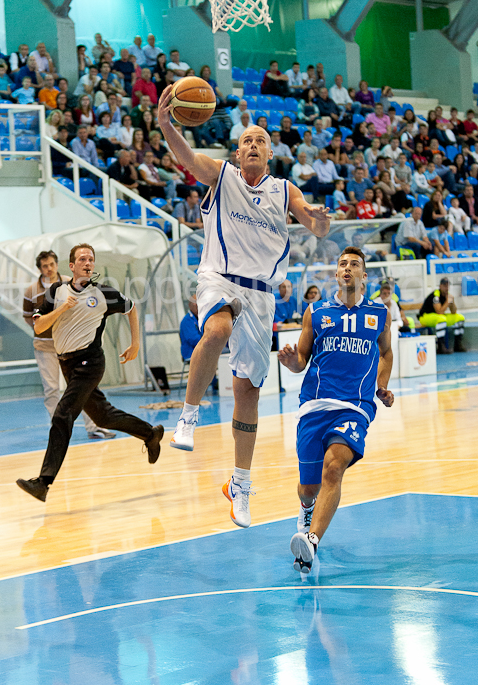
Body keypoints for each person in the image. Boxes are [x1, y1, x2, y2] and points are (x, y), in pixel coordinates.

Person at [157, 85, 330, 528]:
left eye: (261, 141)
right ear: (237, 153)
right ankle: (188, 418)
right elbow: (187, 160)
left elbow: (312, 221)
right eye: (246, 141)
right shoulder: (223, 177)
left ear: (270, 154)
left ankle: (240, 483)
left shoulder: (283, 189)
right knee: (215, 330)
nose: (253, 145)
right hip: (218, 277)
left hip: (261, 295)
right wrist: (166, 124)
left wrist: (319, 220)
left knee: (247, 392)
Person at [16, 244, 164, 502]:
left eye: (91, 259)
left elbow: (131, 308)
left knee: (63, 415)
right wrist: (62, 309)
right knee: (103, 416)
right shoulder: (56, 291)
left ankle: (43, 482)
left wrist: (135, 343)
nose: (87, 263)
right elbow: (39, 327)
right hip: (66, 363)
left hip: (90, 362)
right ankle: (150, 434)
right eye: (81, 259)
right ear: (71, 266)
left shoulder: (103, 293)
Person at [278, 246, 393, 573]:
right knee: (309, 486)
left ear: (364, 276)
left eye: (354, 265)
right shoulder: (316, 311)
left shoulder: (379, 314)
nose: (347, 269)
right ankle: (306, 507)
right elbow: (301, 359)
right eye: (343, 264)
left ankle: (311, 541)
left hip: (355, 408)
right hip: (314, 406)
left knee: (334, 465)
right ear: (336, 273)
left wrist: (382, 386)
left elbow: (386, 354)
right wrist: (291, 361)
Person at [23, 250, 116, 440]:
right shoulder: (31, 290)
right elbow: (28, 317)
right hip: (45, 346)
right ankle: (58, 428)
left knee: (82, 388)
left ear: (57, 264)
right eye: (44, 266)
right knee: (51, 389)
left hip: (72, 347)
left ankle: (94, 427)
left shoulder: (69, 283)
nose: (49, 269)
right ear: (39, 269)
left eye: (51, 264)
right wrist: (45, 328)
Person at [418, 277, 466, 354]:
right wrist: (447, 302)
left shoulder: (448, 295)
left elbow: (454, 312)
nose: (446, 288)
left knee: (459, 317)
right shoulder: (436, 295)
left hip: (438, 316)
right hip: (425, 316)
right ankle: (441, 346)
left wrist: (452, 302)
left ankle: (457, 344)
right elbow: (439, 311)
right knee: (441, 319)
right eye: (444, 285)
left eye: (447, 286)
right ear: (440, 286)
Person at [180, 294, 203, 363]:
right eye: (195, 304)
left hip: (204, 350)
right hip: (191, 353)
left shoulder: (202, 318)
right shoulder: (187, 321)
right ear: (190, 306)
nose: (198, 306)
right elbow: (194, 339)